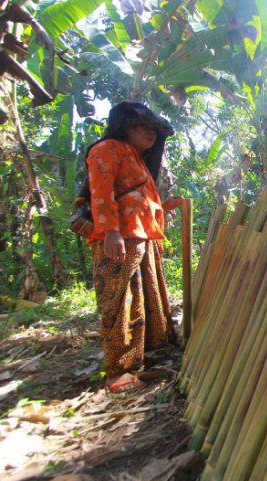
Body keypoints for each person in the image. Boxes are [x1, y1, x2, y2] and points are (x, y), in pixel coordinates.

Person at [84, 102, 183, 392]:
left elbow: (134, 200)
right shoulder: (107, 149)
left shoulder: (137, 158)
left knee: (144, 298)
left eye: (154, 129)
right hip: (120, 237)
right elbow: (101, 192)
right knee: (119, 300)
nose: (151, 134)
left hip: (140, 235)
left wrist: (163, 206)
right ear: (125, 126)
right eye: (143, 127)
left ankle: (144, 356)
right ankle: (118, 371)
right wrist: (110, 232)